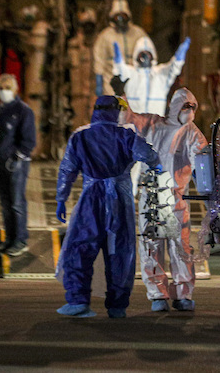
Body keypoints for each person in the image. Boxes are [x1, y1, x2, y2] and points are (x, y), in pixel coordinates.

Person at [54, 95, 161, 319]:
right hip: (119, 200)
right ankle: (117, 305)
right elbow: (150, 156)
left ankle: (78, 300)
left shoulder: (80, 136)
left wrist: (61, 199)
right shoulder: (126, 135)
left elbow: (67, 170)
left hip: (90, 199)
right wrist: (156, 168)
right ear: (116, 111)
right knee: (120, 251)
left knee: (81, 247)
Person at [114, 77, 209, 313]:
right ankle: (158, 294)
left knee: (181, 247)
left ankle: (182, 293)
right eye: (186, 106)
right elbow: (128, 119)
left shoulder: (193, 134)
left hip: (176, 198)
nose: (189, 111)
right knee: (151, 246)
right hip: (152, 196)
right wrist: (121, 95)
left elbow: (202, 162)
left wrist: (207, 187)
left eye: (192, 107)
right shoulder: (153, 125)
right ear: (176, 107)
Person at [0, 74, 36, 257]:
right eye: (1, 88)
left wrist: (17, 156)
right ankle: (9, 239)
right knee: (5, 203)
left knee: (16, 202)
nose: (3, 92)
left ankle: (20, 240)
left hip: (17, 164)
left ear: (15, 90)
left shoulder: (23, 111)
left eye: (7, 88)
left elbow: (29, 140)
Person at [112, 37, 188, 115]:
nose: (145, 57)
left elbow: (174, 67)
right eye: (142, 54)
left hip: (155, 123)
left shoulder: (160, 74)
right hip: (132, 123)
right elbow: (119, 70)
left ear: (152, 55)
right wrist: (118, 61)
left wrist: (179, 58)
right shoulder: (131, 73)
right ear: (136, 55)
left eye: (148, 54)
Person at [92, 0, 150, 96]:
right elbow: (99, 60)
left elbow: (148, 53)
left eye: (123, 16)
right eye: (117, 16)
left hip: (135, 84)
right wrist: (99, 83)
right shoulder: (105, 36)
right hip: (111, 85)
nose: (120, 19)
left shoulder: (138, 34)